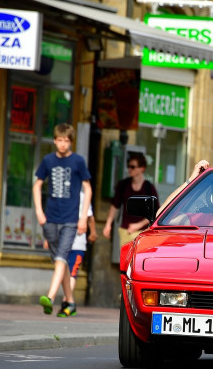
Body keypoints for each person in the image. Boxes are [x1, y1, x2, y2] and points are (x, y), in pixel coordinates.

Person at [33, 123, 92, 317]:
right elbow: (37, 186)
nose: (63, 144)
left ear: (71, 142)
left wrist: (83, 217)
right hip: (50, 219)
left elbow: (88, 189)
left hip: (70, 220)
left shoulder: (78, 161)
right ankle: (71, 302)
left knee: (61, 258)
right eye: (60, 140)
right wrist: (40, 213)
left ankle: (50, 297)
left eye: (67, 141)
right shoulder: (48, 161)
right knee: (62, 262)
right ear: (54, 140)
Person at [103, 152, 159, 246]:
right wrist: (108, 224)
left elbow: (155, 212)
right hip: (125, 231)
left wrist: (138, 225)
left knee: (138, 260)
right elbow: (114, 205)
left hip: (143, 232)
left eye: (132, 167)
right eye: (128, 166)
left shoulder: (149, 188)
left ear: (142, 168)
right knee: (126, 260)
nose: (129, 169)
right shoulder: (123, 185)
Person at [59, 190, 97, 317]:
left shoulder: (80, 196)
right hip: (70, 241)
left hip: (76, 241)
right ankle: (69, 301)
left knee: (71, 272)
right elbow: (90, 218)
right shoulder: (77, 196)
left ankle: (67, 301)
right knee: (67, 272)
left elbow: (90, 217)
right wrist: (93, 232)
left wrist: (93, 232)